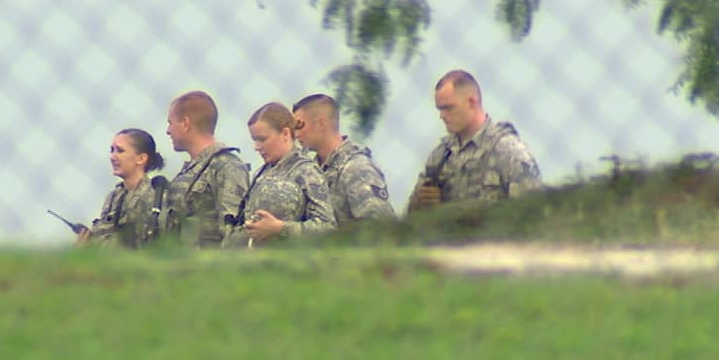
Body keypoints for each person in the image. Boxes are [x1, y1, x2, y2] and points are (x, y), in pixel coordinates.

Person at [408, 69, 543, 211]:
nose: (442, 116)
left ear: (472, 102)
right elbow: (408, 217)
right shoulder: (440, 157)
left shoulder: (508, 151)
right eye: (440, 109)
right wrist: (419, 204)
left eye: (448, 108)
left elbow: (533, 212)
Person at [226, 102, 336, 247]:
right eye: (254, 140)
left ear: (285, 134)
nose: (257, 147)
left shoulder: (307, 171)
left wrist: (280, 228)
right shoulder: (261, 173)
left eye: (262, 139)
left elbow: (327, 227)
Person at [292, 93, 396, 226]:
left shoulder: (357, 169)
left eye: (300, 125)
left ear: (320, 124)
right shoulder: (312, 171)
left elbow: (380, 228)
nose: (296, 134)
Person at [164, 91, 250, 248]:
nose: (168, 131)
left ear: (185, 124)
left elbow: (234, 231)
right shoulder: (191, 170)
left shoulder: (226, 165)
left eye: (170, 122)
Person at [78, 129, 168, 248]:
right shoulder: (113, 198)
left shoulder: (156, 197)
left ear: (141, 159)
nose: (112, 157)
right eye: (112, 150)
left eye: (120, 151)